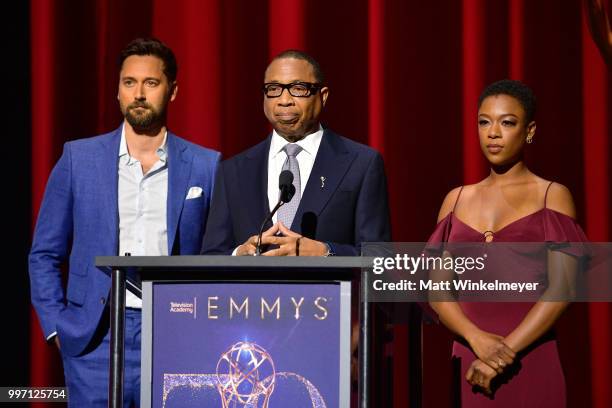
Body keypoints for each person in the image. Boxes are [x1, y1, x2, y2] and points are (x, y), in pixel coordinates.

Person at [29, 38, 221, 407]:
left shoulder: (205, 165)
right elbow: (44, 253)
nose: (138, 93)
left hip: (175, 335)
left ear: (173, 91)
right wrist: (57, 327)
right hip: (94, 338)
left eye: (151, 83)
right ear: (117, 91)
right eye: (129, 82)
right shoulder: (78, 158)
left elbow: (216, 255)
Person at [428, 80, 587, 406]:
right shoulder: (455, 200)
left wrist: (502, 353)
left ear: (529, 130)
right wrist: (477, 341)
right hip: (468, 361)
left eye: (507, 122)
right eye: (484, 122)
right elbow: (437, 292)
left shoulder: (552, 195)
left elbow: (564, 289)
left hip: (530, 359)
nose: (493, 133)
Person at [202, 50, 391, 256]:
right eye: (273, 89)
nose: (284, 100)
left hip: (329, 288)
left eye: (298, 89)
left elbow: (380, 257)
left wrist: (326, 253)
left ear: (323, 96)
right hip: (251, 288)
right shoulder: (232, 171)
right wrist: (238, 254)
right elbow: (212, 254)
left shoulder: (362, 164)